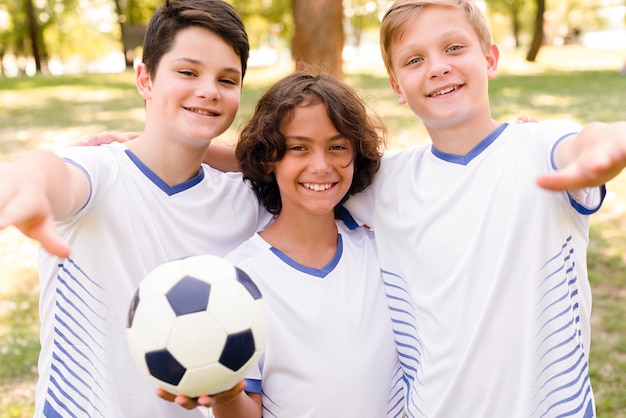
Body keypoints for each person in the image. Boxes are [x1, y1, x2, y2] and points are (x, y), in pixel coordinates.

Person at [342, 1, 626, 417]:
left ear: (490, 58)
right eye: (415, 59)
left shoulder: (541, 147)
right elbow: (287, 170)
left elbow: (591, 139)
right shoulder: (383, 184)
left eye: (454, 48)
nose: (438, 67)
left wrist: (609, 146)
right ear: (397, 87)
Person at [0, 0, 271, 417]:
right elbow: (54, 175)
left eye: (227, 80)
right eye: (188, 72)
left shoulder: (244, 200)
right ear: (145, 79)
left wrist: (225, 156)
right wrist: (26, 182)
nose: (209, 90)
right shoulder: (101, 171)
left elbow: (304, 169)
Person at [163, 71, 406, 417]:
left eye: (337, 146)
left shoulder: (380, 250)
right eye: (298, 148)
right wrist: (227, 394)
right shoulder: (238, 283)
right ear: (268, 159)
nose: (320, 166)